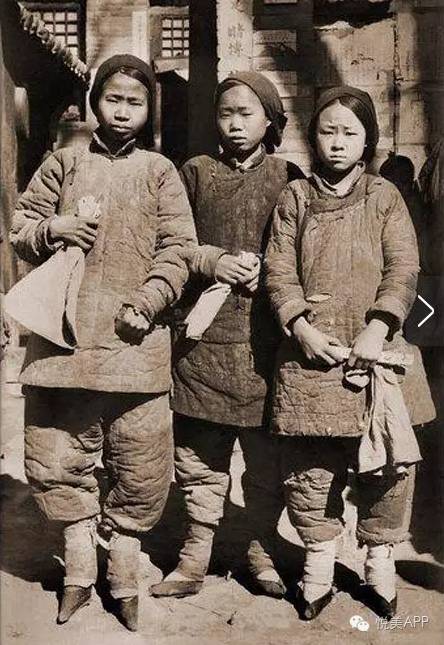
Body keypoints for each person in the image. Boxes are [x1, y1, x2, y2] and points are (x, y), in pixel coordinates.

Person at [10, 54, 196, 631]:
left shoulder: (160, 171)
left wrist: (150, 300)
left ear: (149, 110)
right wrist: (54, 228)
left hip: (135, 343)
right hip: (62, 343)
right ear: (95, 104)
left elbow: (179, 248)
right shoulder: (62, 163)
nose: (122, 111)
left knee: (141, 461)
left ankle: (123, 571)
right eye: (112, 99)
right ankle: (78, 569)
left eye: (135, 102)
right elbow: (19, 229)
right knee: (54, 454)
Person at [264, 86, 435, 620]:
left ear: (367, 140)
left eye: (349, 132)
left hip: (376, 352)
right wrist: (300, 327)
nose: (337, 143)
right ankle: (318, 565)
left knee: (387, 466)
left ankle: (379, 563)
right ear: (313, 137)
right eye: (327, 131)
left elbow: (403, 267)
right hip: (311, 356)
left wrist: (379, 328)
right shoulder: (294, 197)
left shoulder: (385, 196)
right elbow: (278, 269)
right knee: (310, 468)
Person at [151, 72, 304, 599]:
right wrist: (210, 260)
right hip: (203, 342)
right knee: (198, 458)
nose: (235, 124)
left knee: (265, 462)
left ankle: (260, 550)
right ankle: (194, 557)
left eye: (246, 113)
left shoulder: (289, 177)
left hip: (266, 344)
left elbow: (303, 248)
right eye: (225, 114)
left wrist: (273, 271)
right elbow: (172, 243)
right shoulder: (194, 173)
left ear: (270, 120)